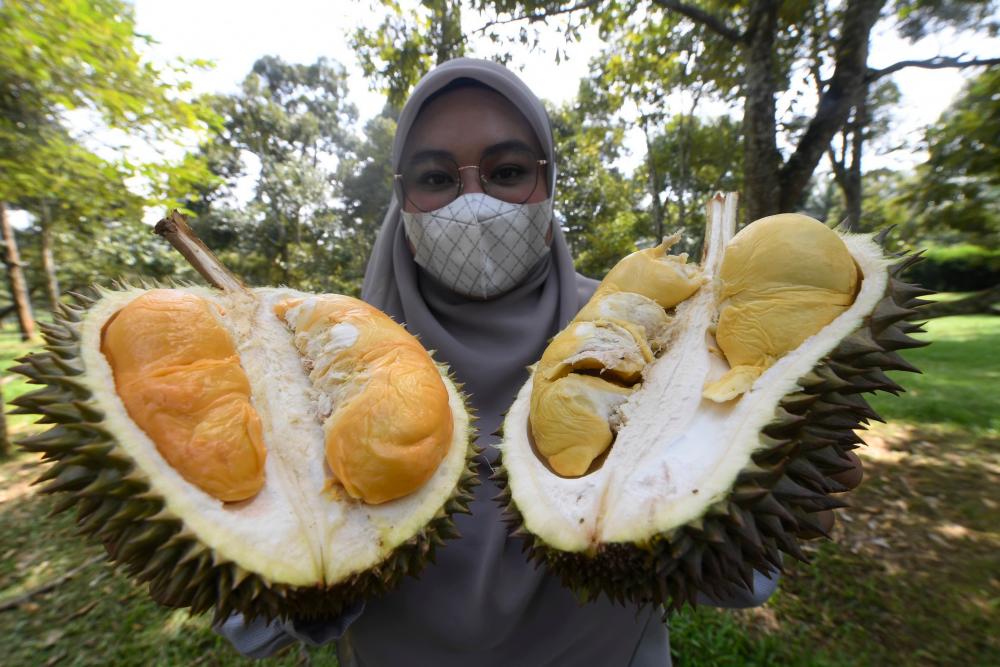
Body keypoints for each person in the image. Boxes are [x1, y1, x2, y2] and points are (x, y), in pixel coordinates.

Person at [217, 57, 841, 666]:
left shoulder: (655, 327)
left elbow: (737, 577)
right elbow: (252, 615)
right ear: (401, 204)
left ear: (547, 188)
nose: (474, 203)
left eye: (507, 170)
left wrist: (785, 478)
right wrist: (317, 580)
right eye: (436, 178)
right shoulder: (322, 359)